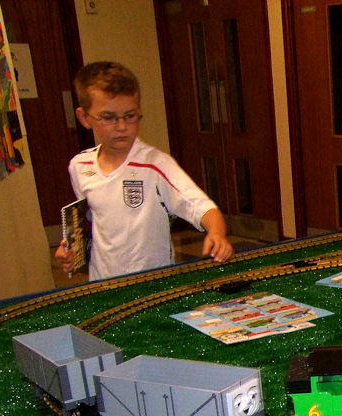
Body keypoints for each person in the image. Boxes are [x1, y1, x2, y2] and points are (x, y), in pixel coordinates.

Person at [56, 62, 233, 280]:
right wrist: (71, 253)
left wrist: (216, 232)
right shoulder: (80, 166)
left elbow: (201, 206)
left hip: (154, 283)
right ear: (84, 118)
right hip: (103, 284)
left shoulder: (156, 165)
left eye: (130, 115)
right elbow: (89, 225)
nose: (122, 126)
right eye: (109, 117)